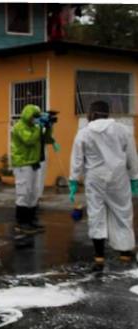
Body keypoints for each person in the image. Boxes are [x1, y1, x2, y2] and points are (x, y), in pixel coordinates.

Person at [69, 100, 138, 266]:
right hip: (118, 178)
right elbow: (132, 155)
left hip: (95, 178)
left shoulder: (84, 133)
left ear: (91, 113)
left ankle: (99, 255)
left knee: (96, 213)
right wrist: (135, 177)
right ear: (107, 113)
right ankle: (125, 253)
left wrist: (73, 180)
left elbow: (77, 159)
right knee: (122, 212)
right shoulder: (122, 130)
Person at [10, 104, 51, 234]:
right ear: (28, 115)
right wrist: (40, 127)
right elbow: (28, 140)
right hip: (23, 163)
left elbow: (47, 139)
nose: (36, 119)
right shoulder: (19, 126)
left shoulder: (35, 127)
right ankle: (21, 223)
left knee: (34, 193)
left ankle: (31, 221)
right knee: (24, 193)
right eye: (35, 117)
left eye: (38, 117)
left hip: (34, 162)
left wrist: (48, 126)